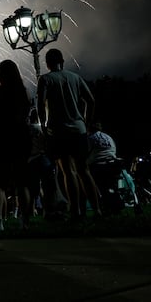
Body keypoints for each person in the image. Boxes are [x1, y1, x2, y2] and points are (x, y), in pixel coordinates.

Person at [36, 48, 101, 222]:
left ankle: (75, 211)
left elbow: (40, 106)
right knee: (84, 170)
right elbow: (91, 100)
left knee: (68, 172)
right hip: (79, 129)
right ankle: (97, 210)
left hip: (58, 131)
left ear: (48, 63)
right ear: (62, 61)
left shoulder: (46, 79)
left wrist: (43, 125)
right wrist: (86, 121)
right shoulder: (75, 77)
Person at [0, 59, 33, 231]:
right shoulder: (23, 91)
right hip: (21, 137)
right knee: (22, 182)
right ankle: (25, 222)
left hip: (4, 138)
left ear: (0, 75)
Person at [86, 122, 125, 215]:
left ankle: (104, 206)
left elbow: (86, 153)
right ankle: (116, 205)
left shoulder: (90, 138)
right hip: (113, 164)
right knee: (112, 186)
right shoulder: (108, 137)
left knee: (100, 187)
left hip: (99, 165)